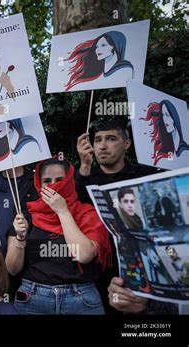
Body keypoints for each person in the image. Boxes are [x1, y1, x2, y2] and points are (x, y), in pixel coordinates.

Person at [6, 157, 112, 315]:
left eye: (60, 179)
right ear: (38, 185)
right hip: (33, 298)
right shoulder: (25, 217)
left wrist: (63, 211)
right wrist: (20, 238)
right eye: (47, 181)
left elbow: (83, 255)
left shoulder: (86, 213)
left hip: (80, 299)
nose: (54, 185)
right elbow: (12, 269)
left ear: (70, 180)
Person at [76, 120, 162, 314]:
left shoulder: (146, 175)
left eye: (111, 138)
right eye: (97, 140)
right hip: (94, 274)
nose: (102, 145)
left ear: (127, 144)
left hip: (141, 268)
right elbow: (73, 206)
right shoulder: (84, 177)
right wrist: (84, 169)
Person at [64, 31, 134, 91]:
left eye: (103, 45)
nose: (98, 49)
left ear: (115, 46)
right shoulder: (102, 72)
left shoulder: (125, 69)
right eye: (97, 46)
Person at [140, 99, 189, 164]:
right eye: (163, 115)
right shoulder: (169, 147)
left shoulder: (185, 148)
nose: (165, 119)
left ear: (174, 117)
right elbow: (170, 162)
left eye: (167, 115)